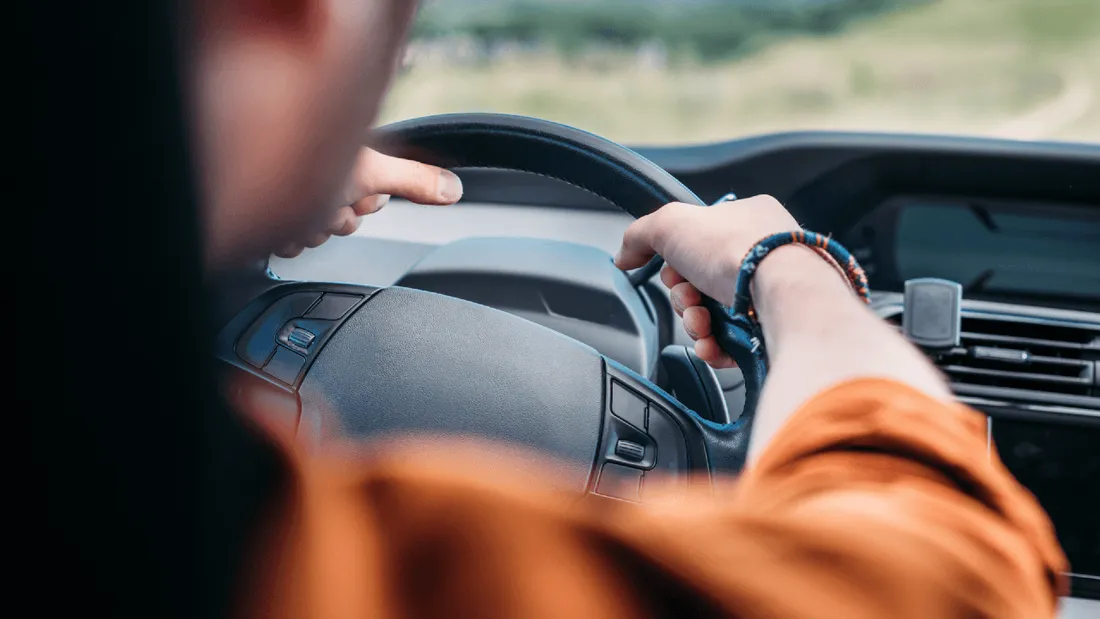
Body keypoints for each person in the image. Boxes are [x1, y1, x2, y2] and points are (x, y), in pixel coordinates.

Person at [186, 1, 1067, 617]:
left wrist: (228, 186)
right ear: (289, 19)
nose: (402, 59)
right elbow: (951, 574)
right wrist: (788, 268)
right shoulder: (388, 573)